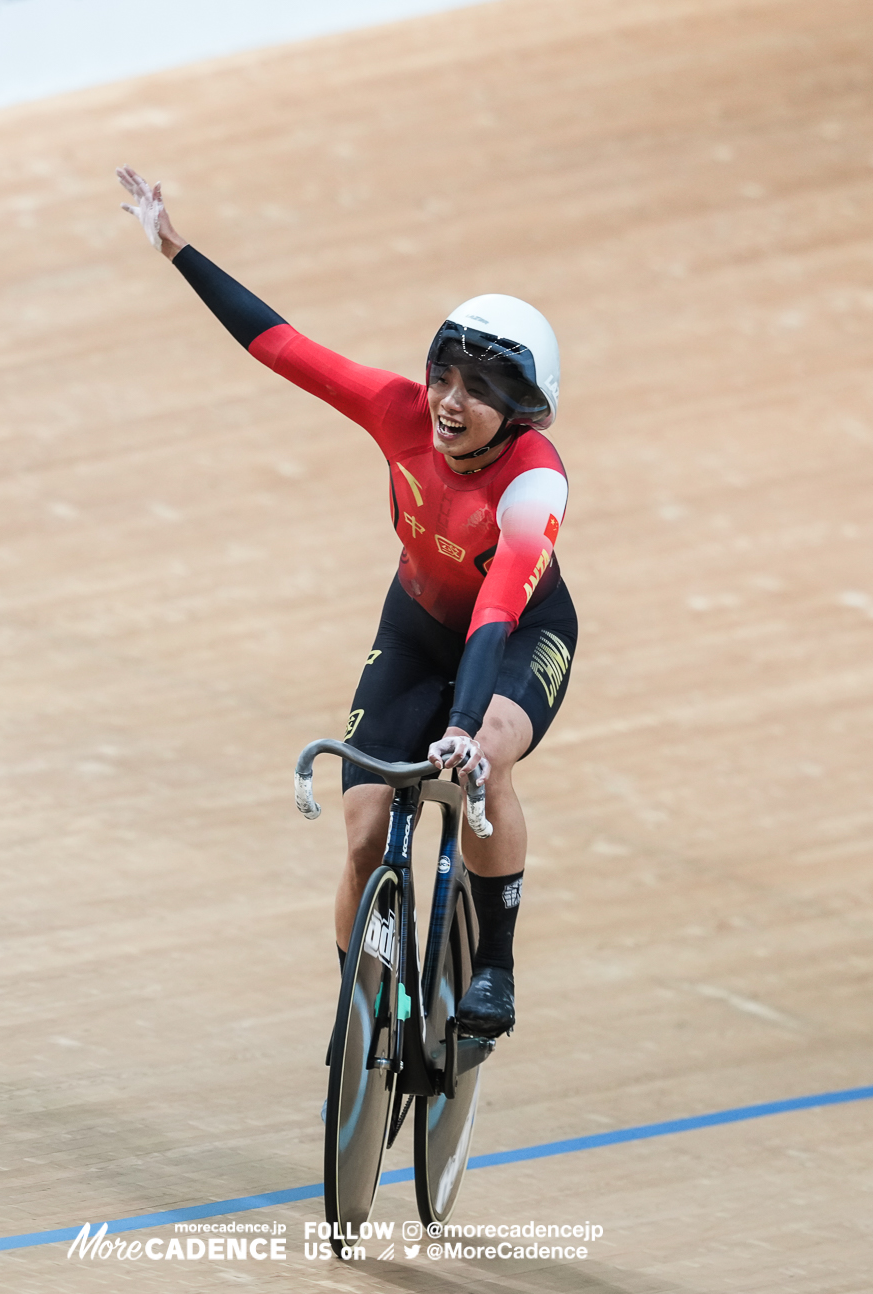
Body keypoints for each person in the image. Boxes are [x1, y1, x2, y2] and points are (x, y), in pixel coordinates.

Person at [117, 167, 576, 1037]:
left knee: (487, 759)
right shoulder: (396, 409)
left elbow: (496, 611)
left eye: (478, 391)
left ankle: (498, 968)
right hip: (414, 625)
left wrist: (466, 723)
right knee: (364, 827)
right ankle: (363, 1014)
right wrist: (177, 248)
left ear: (519, 414)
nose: (449, 401)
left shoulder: (534, 486)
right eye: (445, 374)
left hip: (516, 635)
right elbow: (283, 345)